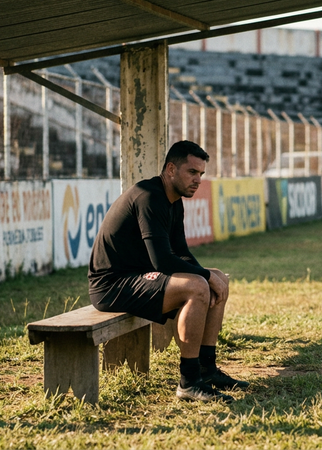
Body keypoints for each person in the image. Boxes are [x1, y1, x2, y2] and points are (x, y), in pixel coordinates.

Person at [88, 140, 248, 403]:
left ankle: (207, 370)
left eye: (201, 174)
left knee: (219, 277)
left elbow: (181, 252)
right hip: (112, 285)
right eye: (192, 172)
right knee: (199, 285)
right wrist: (203, 278)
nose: (198, 180)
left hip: (137, 277)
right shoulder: (149, 196)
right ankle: (189, 381)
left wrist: (210, 276)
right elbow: (162, 261)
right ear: (171, 169)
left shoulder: (174, 201)